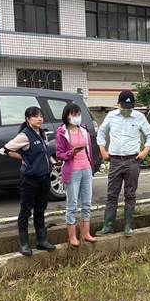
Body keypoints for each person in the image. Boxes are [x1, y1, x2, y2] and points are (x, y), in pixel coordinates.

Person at [97, 90, 150, 237]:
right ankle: (108, 225)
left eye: (130, 107)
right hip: (115, 160)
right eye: (125, 107)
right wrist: (103, 150)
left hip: (133, 160)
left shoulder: (139, 117)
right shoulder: (111, 116)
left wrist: (145, 152)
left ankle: (128, 226)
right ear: (118, 105)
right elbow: (101, 133)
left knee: (130, 194)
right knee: (112, 194)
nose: (127, 110)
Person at [0, 105, 56, 256]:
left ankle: (42, 241)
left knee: (40, 209)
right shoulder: (25, 135)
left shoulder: (43, 133)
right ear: (28, 119)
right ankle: (24, 243)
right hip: (30, 179)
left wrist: (53, 162)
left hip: (44, 178)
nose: (39, 119)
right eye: (35, 116)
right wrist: (23, 158)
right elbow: (5, 150)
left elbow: (44, 152)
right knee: (26, 210)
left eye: (41, 116)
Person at [55, 102, 97, 248]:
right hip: (72, 170)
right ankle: (72, 236)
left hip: (86, 168)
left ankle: (86, 233)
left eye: (78, 114)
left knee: (87, 202)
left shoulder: (84, 129)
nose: (77, 117)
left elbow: (90, 149)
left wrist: (91, 164)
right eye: (74, 114)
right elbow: (59, 154)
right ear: (67, 116)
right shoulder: (62, 132)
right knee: (72, 204)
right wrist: (70, 153)